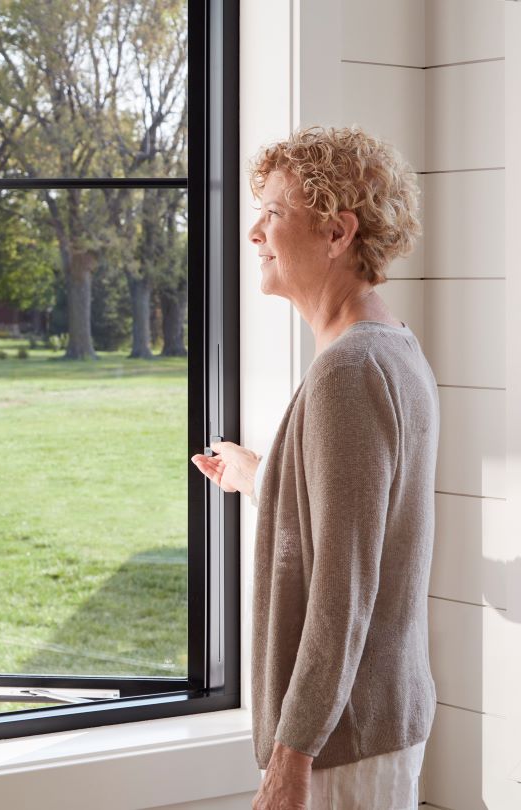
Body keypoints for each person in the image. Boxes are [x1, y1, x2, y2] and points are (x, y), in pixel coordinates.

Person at [190, 126, 438, 810]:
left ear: (336, 233)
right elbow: (359, 516)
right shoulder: (390, 347)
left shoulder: (349, 371)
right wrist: (260, 476)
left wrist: (291, 757)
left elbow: (343, 587)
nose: (255, 234)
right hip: (367, 725)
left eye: (273, 213)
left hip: (339, 746)